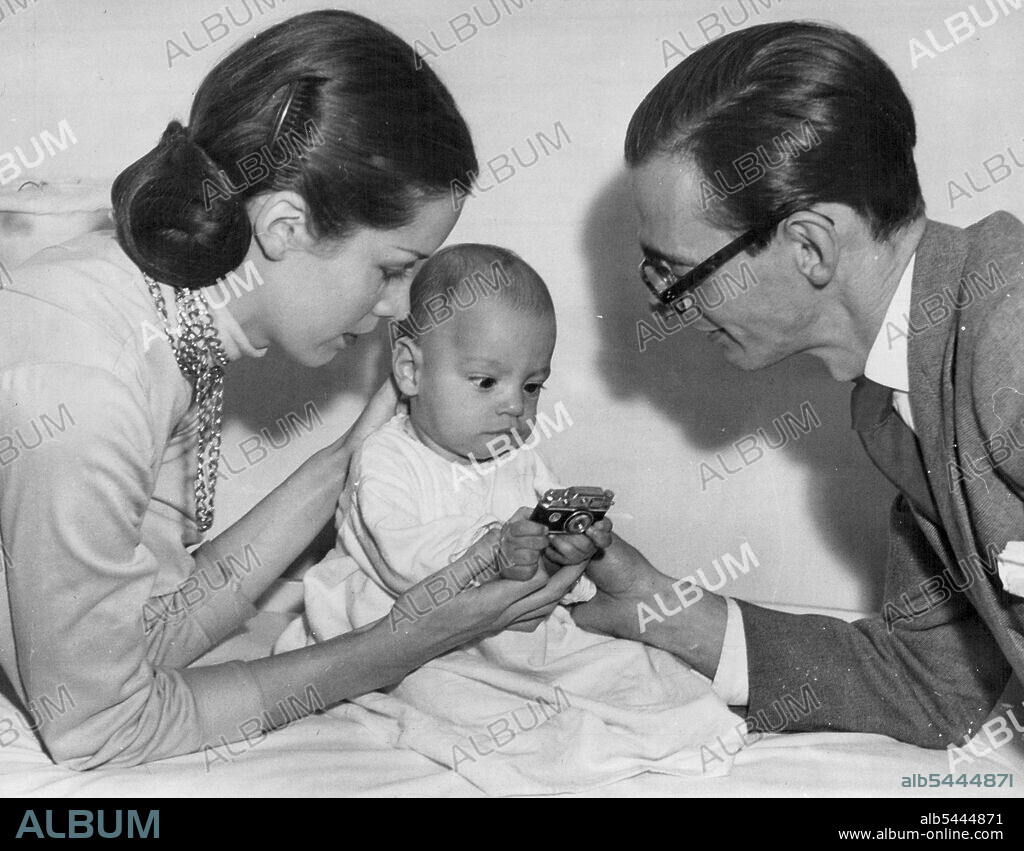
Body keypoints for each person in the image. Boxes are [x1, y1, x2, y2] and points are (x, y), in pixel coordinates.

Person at [0, 10, 584, 771]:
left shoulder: (158, 314)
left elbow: (148, 630)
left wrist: (353, 455)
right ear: (284, 224)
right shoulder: (94, 383)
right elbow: (102, 727)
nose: (401, 309)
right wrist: (391, 647)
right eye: (392, 268)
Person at [574, 20, 1022, 749]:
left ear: (810, 244)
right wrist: (666, 610)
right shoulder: (894, 400)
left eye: (677, 274)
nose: (671, 307)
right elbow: (934, 686)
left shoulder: (1011, 336)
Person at [274, 244, 744, 793]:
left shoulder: (519, 457)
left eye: (531, 386)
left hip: (510, 624)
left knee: (629, 670)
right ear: (410, 370)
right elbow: (404, 558)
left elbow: (546, 552)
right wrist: (493, 548)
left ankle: (668, 721)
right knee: (454, 695)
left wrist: (569, 546)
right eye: (485, 382)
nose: (515, 407)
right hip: (407, 626)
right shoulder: (387, 457)